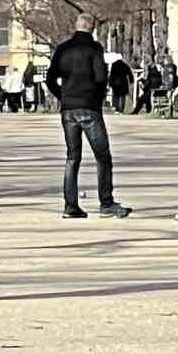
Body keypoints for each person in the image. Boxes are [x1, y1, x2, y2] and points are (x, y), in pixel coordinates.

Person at [47, 12, 130, 218]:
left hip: (68, 109)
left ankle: (71, 206)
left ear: (76, 26)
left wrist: (63, 96)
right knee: (102, 156)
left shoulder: (63, 49)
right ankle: (106, 202)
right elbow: (101, 78)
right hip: (89, 107)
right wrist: (97, 97)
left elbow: (50, 78)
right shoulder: (94, 49)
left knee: (72, 157)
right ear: (92, 28)